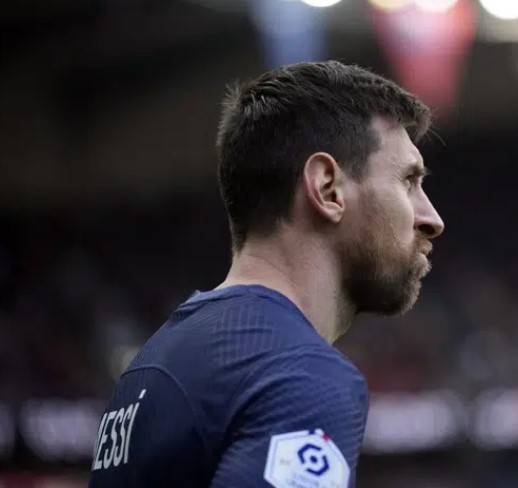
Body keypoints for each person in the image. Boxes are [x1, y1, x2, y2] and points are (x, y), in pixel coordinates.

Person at [88, 60, 444, 488]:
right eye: (408, 181)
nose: (432, 218)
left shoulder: (152, 364)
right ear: (327, 188)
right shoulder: (300, 375)